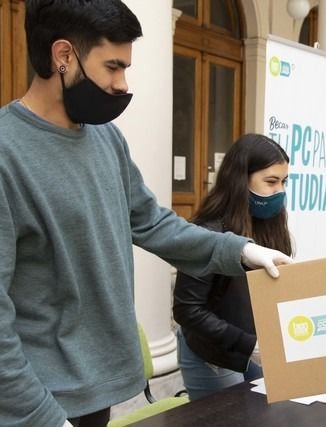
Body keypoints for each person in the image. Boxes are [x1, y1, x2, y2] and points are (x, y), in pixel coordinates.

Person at [0, 2, 291, 427]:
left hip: (95, 391)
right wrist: (38, 414)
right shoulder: (8, 153)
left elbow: (152, 222)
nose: (122, 84)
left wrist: (240, 250)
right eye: (113, 67)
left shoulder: (107, 139)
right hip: (38, 399)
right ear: (63, 56)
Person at [173, 133, 292, 400]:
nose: (280, 191)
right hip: (212, 352)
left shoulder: (272, 225)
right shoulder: (205, 232)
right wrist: (249, 345)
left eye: (284, 182)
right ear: (240, 180)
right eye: (271, 182)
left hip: (253, 344)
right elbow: (188, 310)